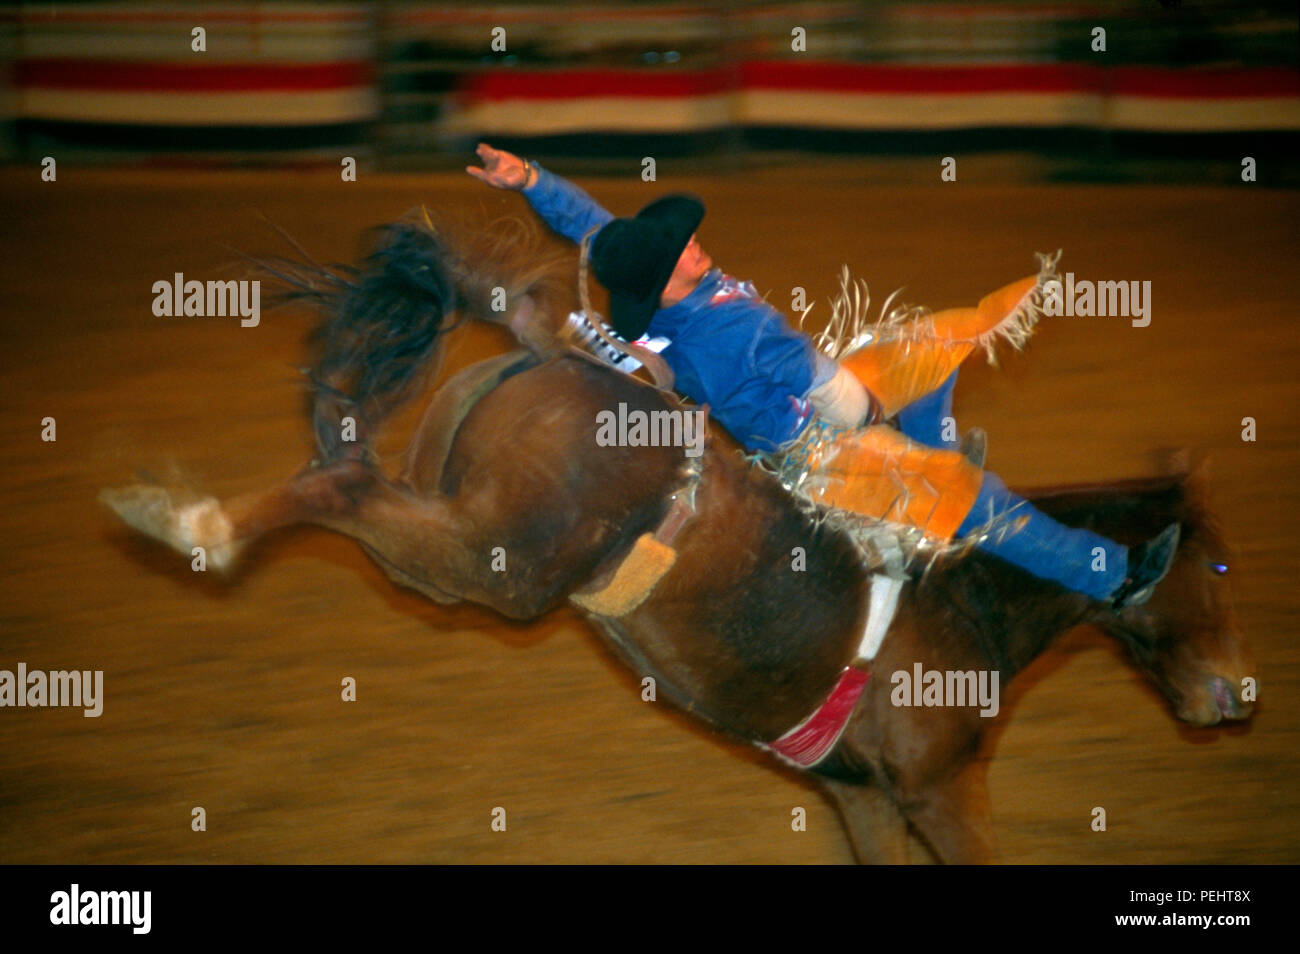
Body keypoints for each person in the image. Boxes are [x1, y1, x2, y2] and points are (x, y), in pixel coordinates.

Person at [466, 143, 1178, 609]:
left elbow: (591, 226)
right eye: (686, 247)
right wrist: (869, 416)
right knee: (965, 495)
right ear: (667, 278)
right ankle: (1114, 577)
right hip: (818, 448)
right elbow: (831, 396)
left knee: (932, 348)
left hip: (811, 400)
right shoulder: (729, 334)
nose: (697, 243)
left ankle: (930, 483)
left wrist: (529, 179)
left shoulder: (661, 297)